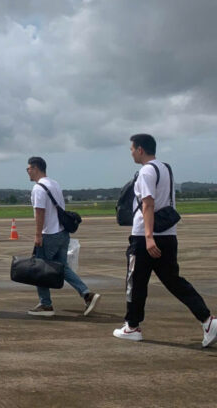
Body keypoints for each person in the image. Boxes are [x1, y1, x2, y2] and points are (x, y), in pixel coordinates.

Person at [113, 134, 217, 346]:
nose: (131, 153)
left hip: (145, 237)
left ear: (140, 149)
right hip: (169, 234)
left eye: (132, 149)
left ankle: (132, 327)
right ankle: (208, 320)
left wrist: (149, 237)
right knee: (174, 281)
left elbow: (148, 204)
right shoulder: (165, 168)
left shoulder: (145, 172)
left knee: (135, 282)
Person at [26, 156, 100, 316]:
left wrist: (38, 235)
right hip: (62, 233)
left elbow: (40, 212)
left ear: (36, 168)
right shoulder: (55, 184)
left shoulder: (38, 188)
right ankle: (87, 294)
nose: (27, 172)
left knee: (40, 269)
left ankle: (46, 305)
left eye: (28, 169)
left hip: (49, 234)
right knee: (63, 268)